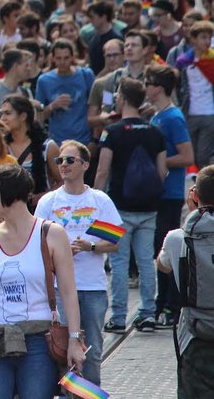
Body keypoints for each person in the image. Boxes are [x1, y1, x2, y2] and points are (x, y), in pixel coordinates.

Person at [0, 165, 84, 399]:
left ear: (11, 193)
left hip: (38, 341)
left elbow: (68, 292)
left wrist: (74, 340)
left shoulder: (51, 233)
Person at [34, 141, 120, 387]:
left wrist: (89, 247)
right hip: (58, 288)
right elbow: (37, 245)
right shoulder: (48, 202)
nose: (63, 165)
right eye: (59, 160)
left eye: (70, 160)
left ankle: (90, 393)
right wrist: (59, 253)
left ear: (85, 165)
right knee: (60, 349)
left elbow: (114, 242)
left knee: (91, 351)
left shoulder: (99, 200)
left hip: (92, 287)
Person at [94, 78, 168, 332]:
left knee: (119, 263)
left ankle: (118, 318)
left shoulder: (112, 132)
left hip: (119, 208)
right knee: (147, 261)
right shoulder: (155, 131)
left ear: (122, 99)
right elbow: (162, 172)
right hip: (148, 208)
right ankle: (148, 313)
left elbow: (103, 170)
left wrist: (95, 199)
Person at [156, 166, 214, 398]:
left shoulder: (177, 237)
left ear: (194, 195)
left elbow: (162, 265)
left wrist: (192, 218)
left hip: (194, 332)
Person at [145, 64, 195, 327]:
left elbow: (187, 156)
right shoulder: (157, 115)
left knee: (167, 249)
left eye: (148, 83)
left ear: (159, 88)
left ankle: (171, 305)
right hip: (160, 193)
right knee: (158, 249)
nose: (145, 88)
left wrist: (160, 162)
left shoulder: (173, 118)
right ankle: (163, 301)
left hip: (171, 193)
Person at [0, 97, 60, 202]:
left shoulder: (48, 146)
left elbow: (63, 182)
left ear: (23, 116)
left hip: (40, 210)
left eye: (8, 113)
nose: (2, 119)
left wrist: (42, 196)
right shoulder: (1, 146)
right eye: (2, 114)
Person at [35, 39, 95, 145]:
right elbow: (38, 117)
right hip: (57, 141)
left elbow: (99, 104)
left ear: (72, 57)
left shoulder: (86, 75)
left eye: (66, 58)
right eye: (58, 58)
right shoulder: (44, 80)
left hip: (83, 139)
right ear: (52, 58)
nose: (62, 62)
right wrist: (52, 106)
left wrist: (95, 140)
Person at [174, 20, 214, 168]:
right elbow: (177, 85)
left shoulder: (212, 59)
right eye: (203, 37)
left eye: (209, 37)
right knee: (190, 156)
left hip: (210, 113)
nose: (207, 41)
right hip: (189, 113)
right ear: (193, 39)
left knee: (203, 156)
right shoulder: (184, 61)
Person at [85, 1, 125, 75]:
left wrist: (97, 80)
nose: (89, 20)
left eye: (92, 17)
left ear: (103, 17)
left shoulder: (115, 38)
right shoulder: (92, 36)